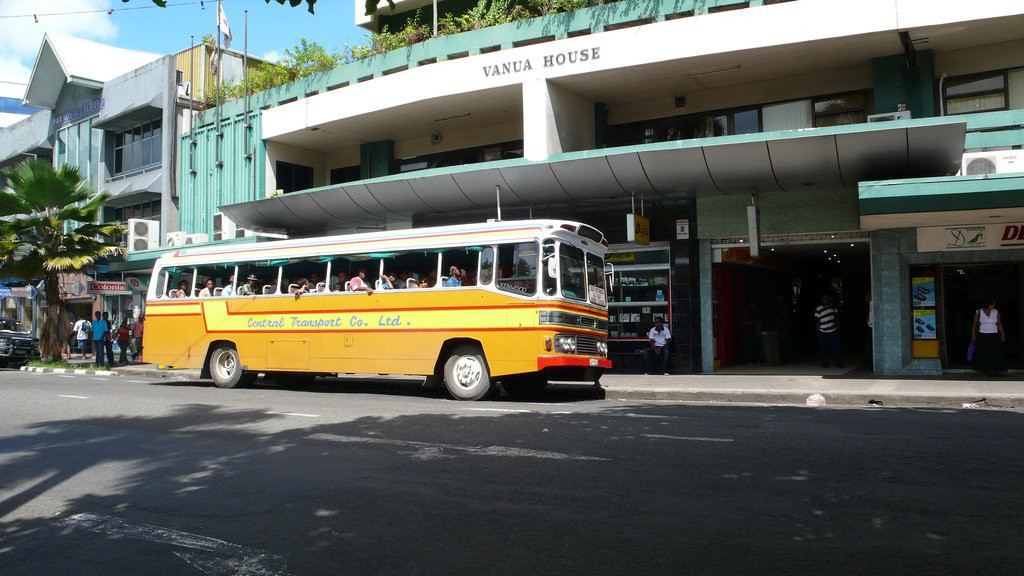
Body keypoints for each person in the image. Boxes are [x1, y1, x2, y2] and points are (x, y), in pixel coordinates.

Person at [971, 298, 1006, 376]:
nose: (994, 305)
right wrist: (973, 334)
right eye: (992, 304)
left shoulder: (996, 312)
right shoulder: (978, 312)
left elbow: (999, 324)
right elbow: (975, 324)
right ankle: (984, 370)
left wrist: (1003, 334)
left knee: (994, 353)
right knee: (983, 353)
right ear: (988, 304)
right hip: (982, 335)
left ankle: (994, 370)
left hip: (994, 335)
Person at [815, 293, 842, 368]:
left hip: (833, 331)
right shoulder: (818, 309)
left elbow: (837, 319)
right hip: (823, 332)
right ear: (822, 299)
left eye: (827, 298)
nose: (826, 299)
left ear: (829, 299)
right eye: (824, 298)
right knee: (823, 349)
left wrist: (838, 329)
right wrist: (819, 332)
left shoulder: (833, 308)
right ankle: (824, 363)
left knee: (836, 348)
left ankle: (839, 363)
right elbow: (817, 321)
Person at [756, 296, 780, 366]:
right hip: (774, 330)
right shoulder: (774, 310)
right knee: (775, 347)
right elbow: (778, 320)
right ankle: (777, 361)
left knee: (767, 348)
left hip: (765, 331)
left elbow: (759, 321)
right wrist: (777, 329)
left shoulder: (761, 310)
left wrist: (758, 331)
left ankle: (769, 362)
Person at [864, 291, 873, 371]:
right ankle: (869, 364)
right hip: (870, 326)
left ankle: (869, 365)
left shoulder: (872, 303)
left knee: (869, 347)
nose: (865, 298)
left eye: (867, 297)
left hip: (872, 327)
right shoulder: (870, 304)